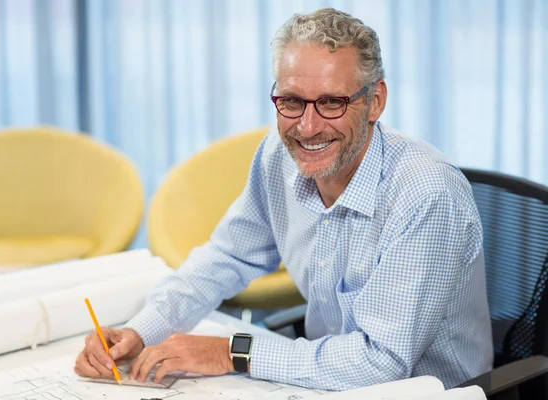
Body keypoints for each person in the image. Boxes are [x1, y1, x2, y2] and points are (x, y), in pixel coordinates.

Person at [74, 8, 492, 390]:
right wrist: (143, 329)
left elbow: (382, 361)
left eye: (331, 102)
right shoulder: (278, 156)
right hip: (318, 381)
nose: (307, 128)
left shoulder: (427, 195)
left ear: (374, 102)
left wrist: (228, 353)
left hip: (425, 392)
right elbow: (227, 257)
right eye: (291, 101)